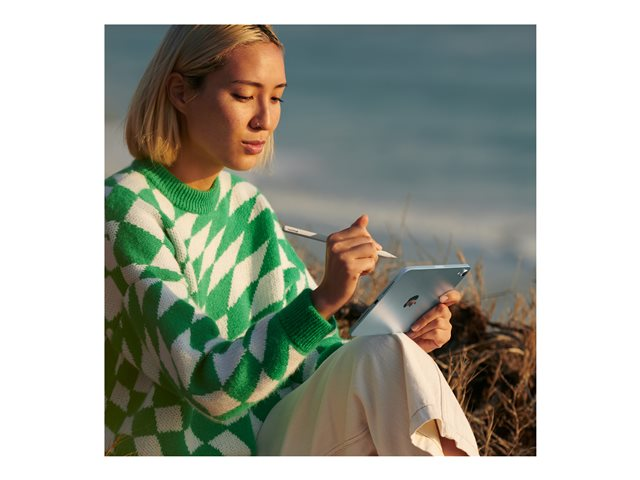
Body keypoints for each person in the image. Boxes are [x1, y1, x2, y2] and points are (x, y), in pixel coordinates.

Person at [105, 24, 479, 456]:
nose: (264, 120)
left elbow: (313, 359)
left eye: (276, 97)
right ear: (181, 92)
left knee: (385, 355)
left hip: (268, 441)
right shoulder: (126, 210)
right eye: (244, 95)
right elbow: (210, 385)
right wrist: (323, 300)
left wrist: (403, 347)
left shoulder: (247, 206)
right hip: (174, 452)